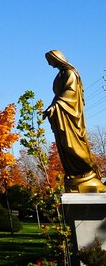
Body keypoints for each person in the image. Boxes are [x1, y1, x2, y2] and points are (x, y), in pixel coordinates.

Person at [44, 50, 106, 192]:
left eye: (49, 60)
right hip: (61, 115)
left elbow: (70, 94)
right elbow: (59, 96)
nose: (49, 63)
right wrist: (52, 108)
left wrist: (55, 106)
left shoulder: (70, 73)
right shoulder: (60, 75)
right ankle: (76, 173)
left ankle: (89, 171)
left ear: (57, 59)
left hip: (71, 117)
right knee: (64, 146)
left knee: (73, 144)